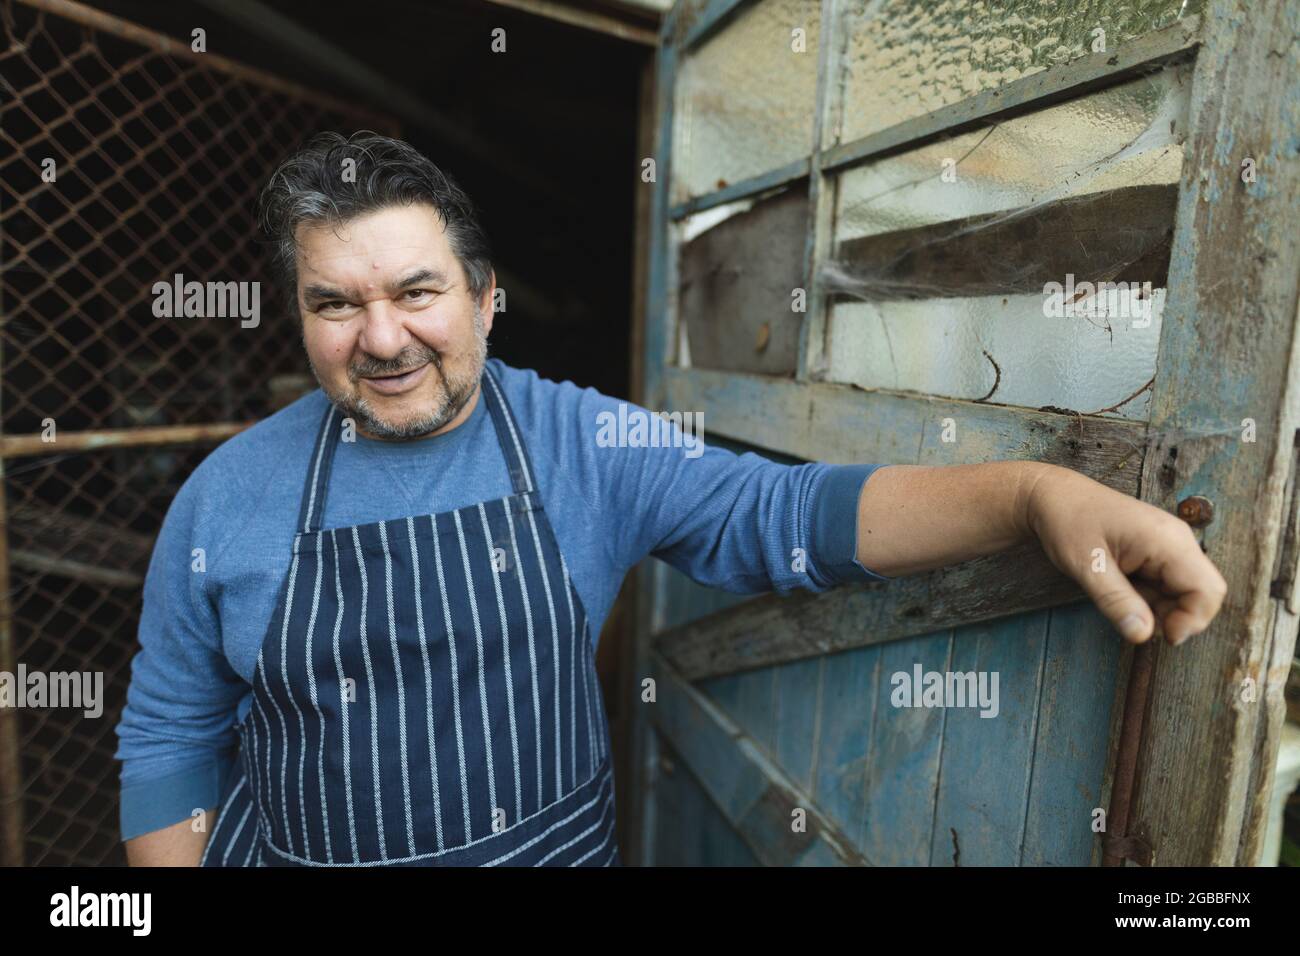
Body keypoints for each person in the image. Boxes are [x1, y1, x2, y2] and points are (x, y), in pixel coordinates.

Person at [114, 132, 1227, 867]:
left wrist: (1032, 494)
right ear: (301, 319)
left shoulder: (582, 440)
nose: (383, 336)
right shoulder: (225, 498)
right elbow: (170, 733)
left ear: (487, 300)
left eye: (416, 291)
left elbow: (782, 519)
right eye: (335, 304)